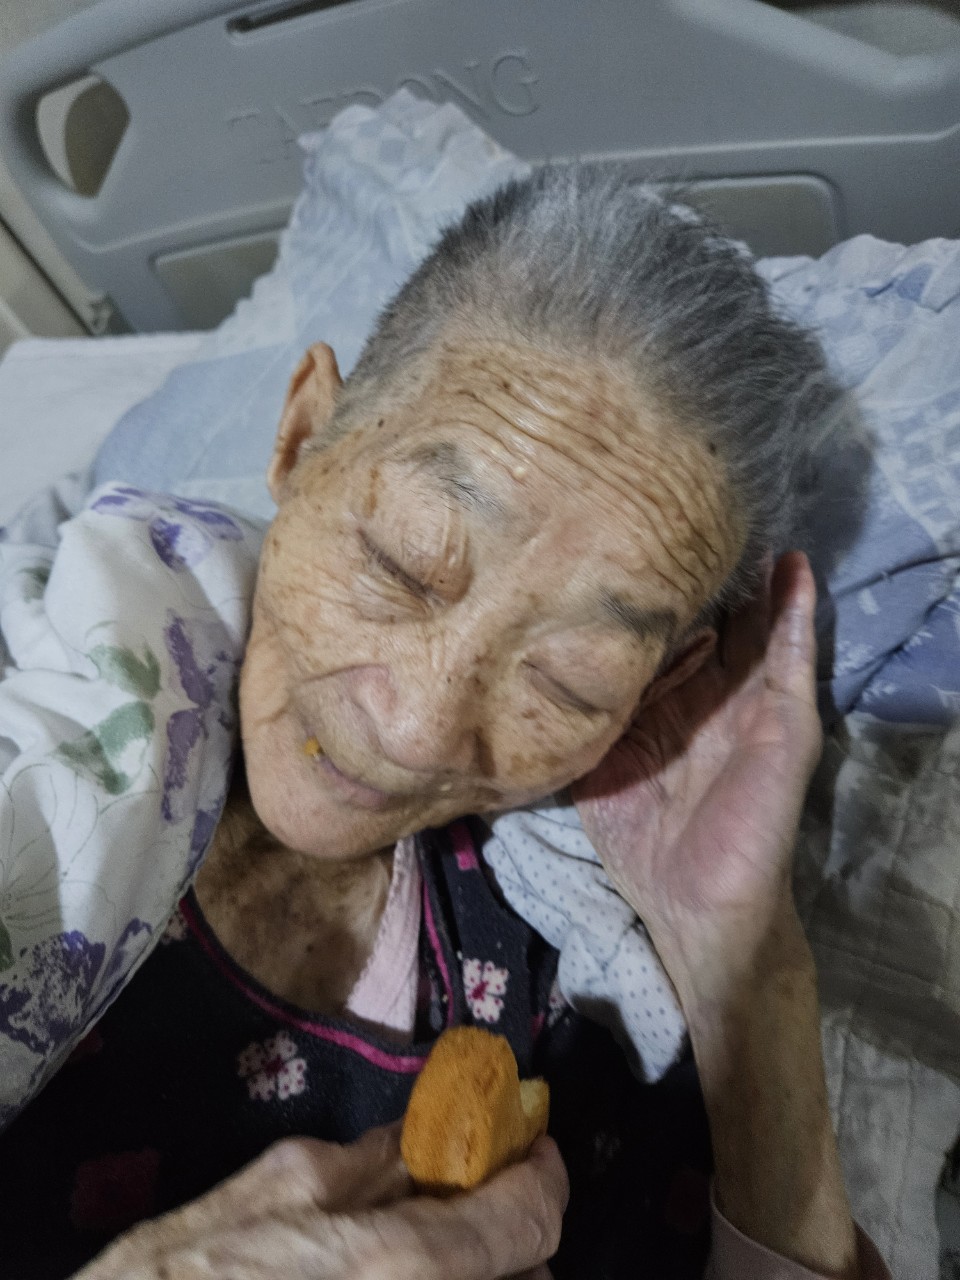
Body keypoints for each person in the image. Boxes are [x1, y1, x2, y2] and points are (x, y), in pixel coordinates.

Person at [0, 167, 890, 1278]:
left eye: (568, 680)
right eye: (402, 561)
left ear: (660, 689)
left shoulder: (555, 993)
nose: (417, 729)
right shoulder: (39, 708)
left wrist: (748, 966)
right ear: (303, 439)